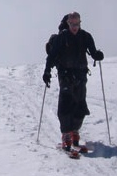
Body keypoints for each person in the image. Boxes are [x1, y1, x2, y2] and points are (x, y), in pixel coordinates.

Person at [42, 12, 104, 150]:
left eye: (76, 24)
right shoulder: (61, 38)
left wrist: (98, 55)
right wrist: (47, 71)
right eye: (72, 24)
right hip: (65, 75)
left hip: (81, 75)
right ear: (68, 24)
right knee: (65, 104)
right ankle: (66, 135)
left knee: (80, 105)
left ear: (80, 23)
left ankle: (74, 131)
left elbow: (93, 52)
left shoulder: (86, 37)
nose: (74, 27)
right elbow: (52, 56)